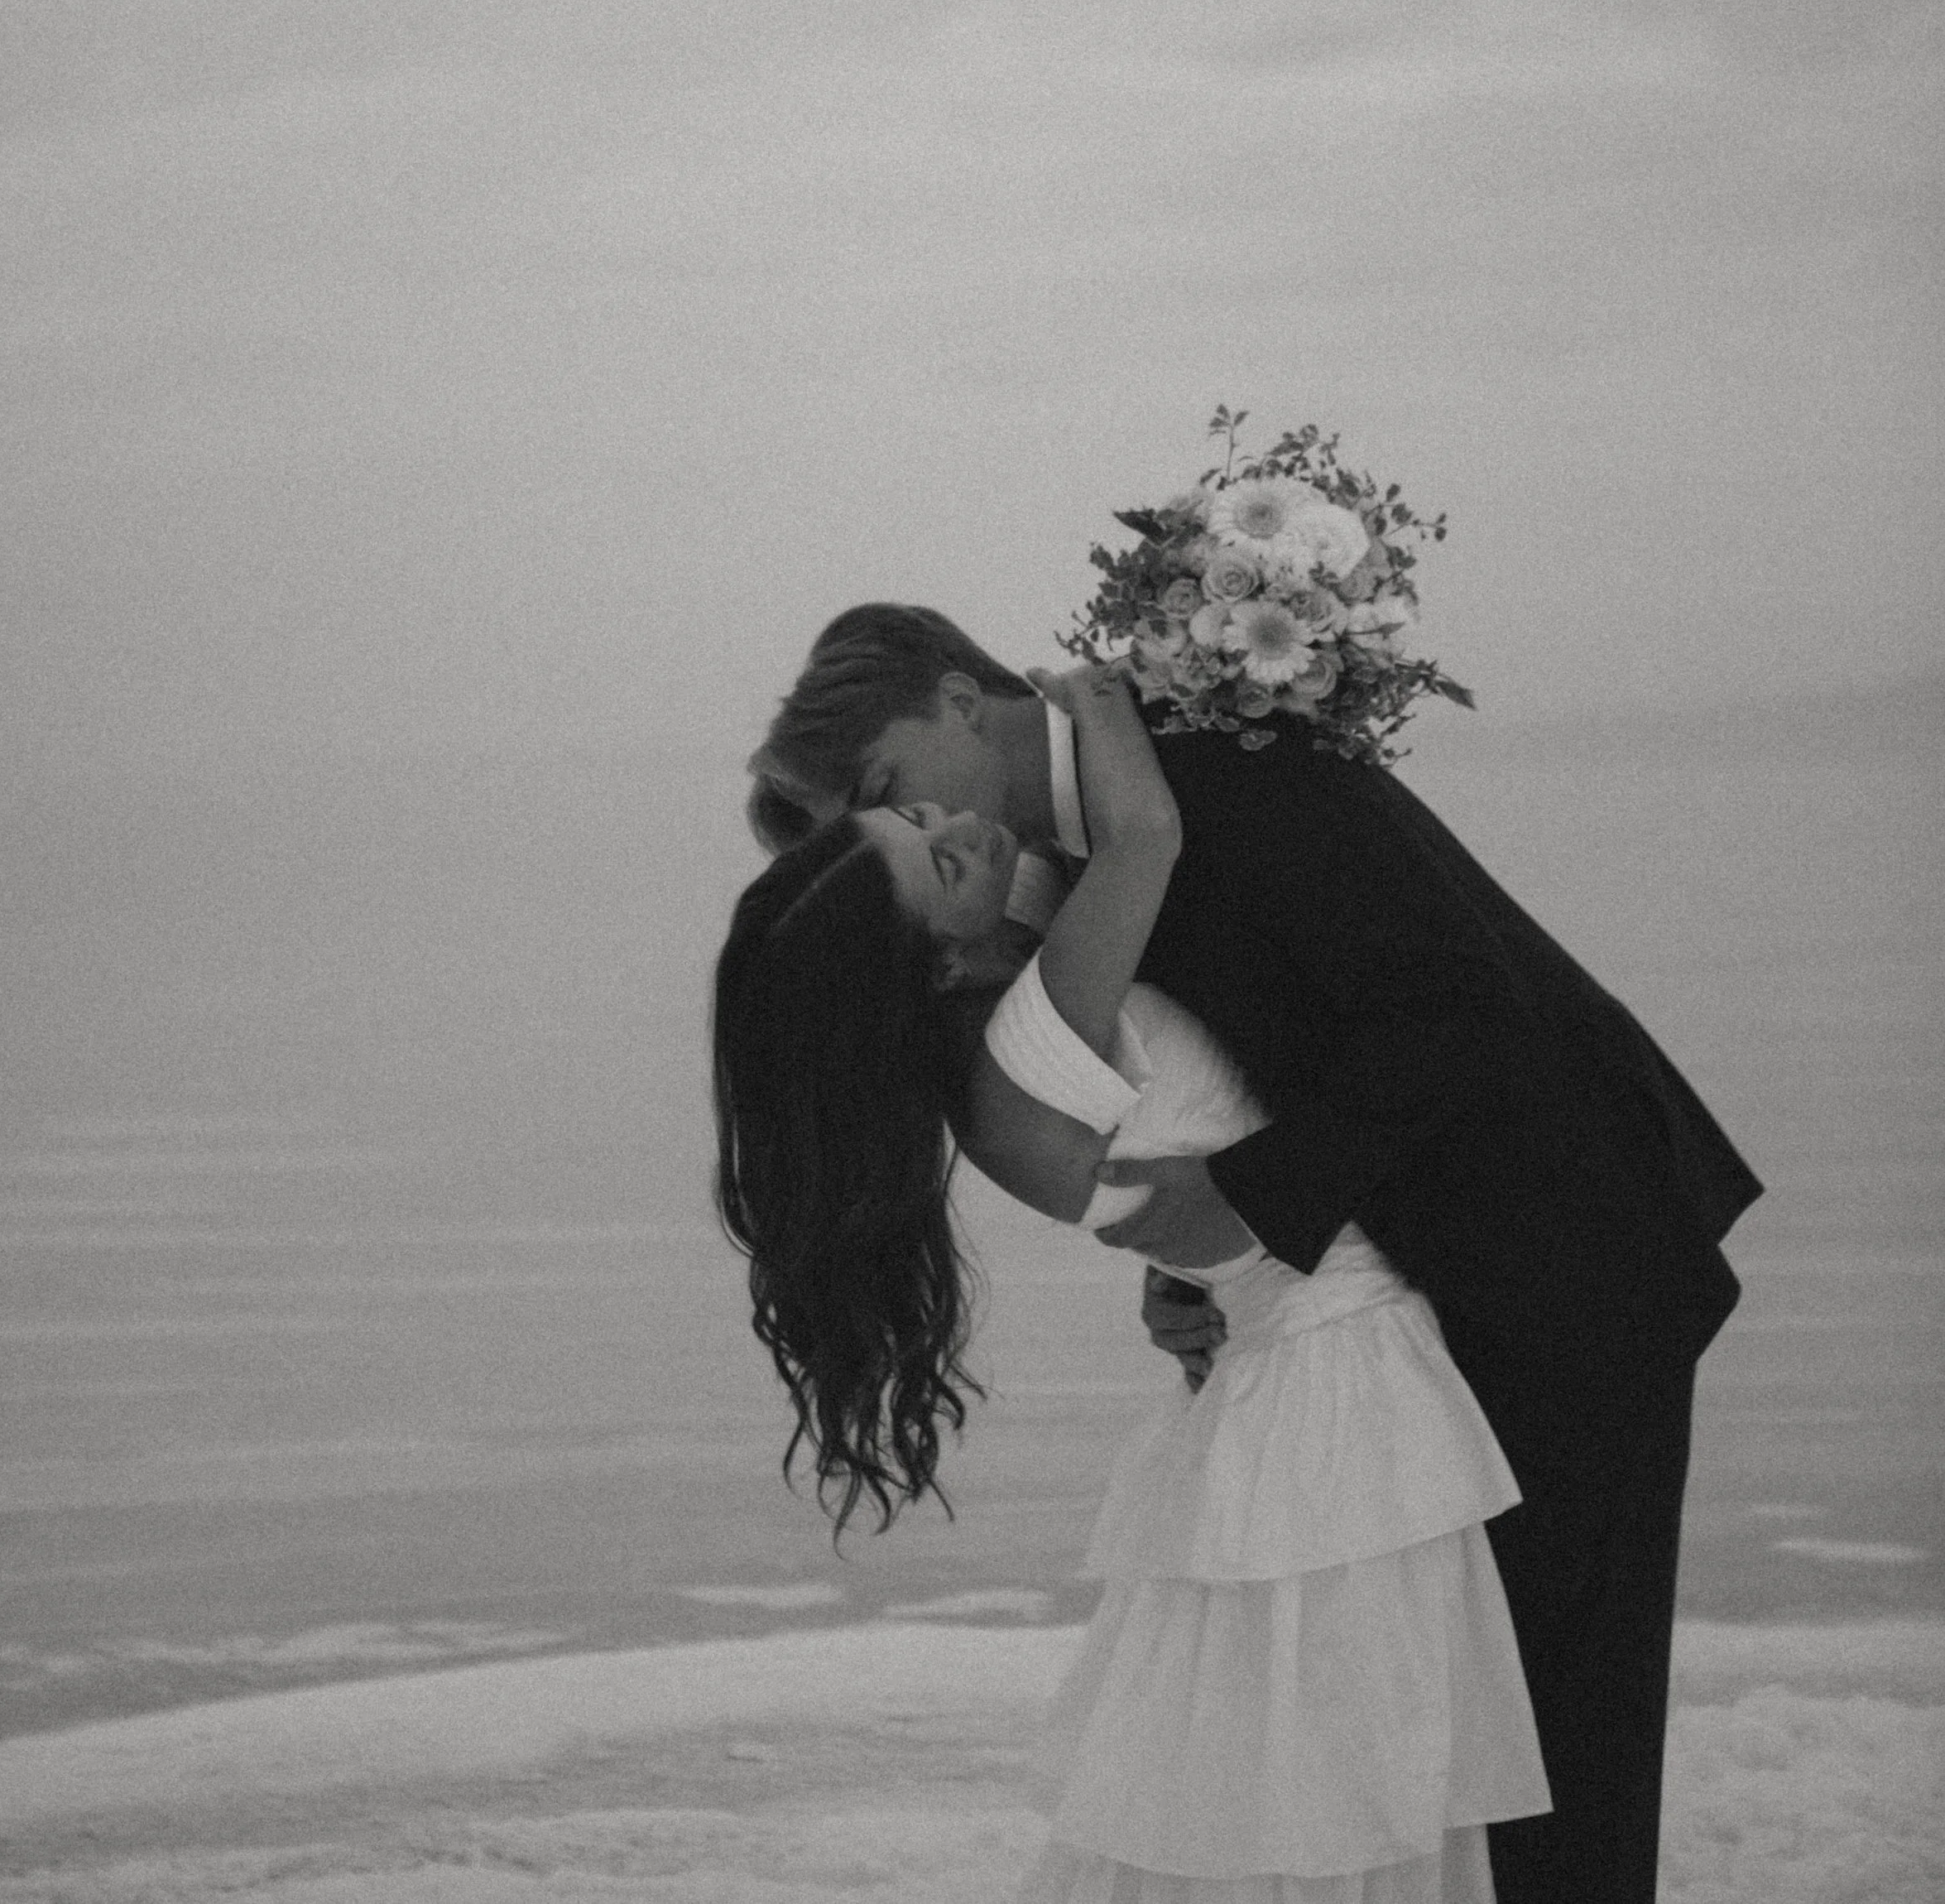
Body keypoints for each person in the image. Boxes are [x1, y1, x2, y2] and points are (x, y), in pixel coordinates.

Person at [746, 605, 1763, 1904]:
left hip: (1561, 1252)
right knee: (1450, 1765)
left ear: (957, 697)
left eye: (890, 792)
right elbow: (1228, 1060)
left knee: (1558, 1753)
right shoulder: (1090, 853)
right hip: (1413, 1321)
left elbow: (1453, 997)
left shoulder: (1207, 755)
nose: (928, 830)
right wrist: (1215, 1252)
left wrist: (1245, 1211)